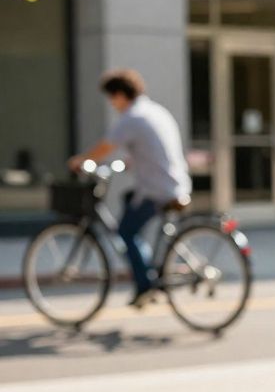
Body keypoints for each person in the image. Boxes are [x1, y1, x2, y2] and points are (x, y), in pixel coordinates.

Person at [67, 69, 191, 308]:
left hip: (157, 189)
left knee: (125, 232)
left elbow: (105, 147)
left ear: (120, 95)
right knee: (128, 201)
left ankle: (144, 285)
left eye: (111, 98)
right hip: (174, 183)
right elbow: (152, 149)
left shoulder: (132, 117)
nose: (112, 104)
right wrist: (128, 163)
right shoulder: (155, 111)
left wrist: (80, 161)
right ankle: (144, 266)